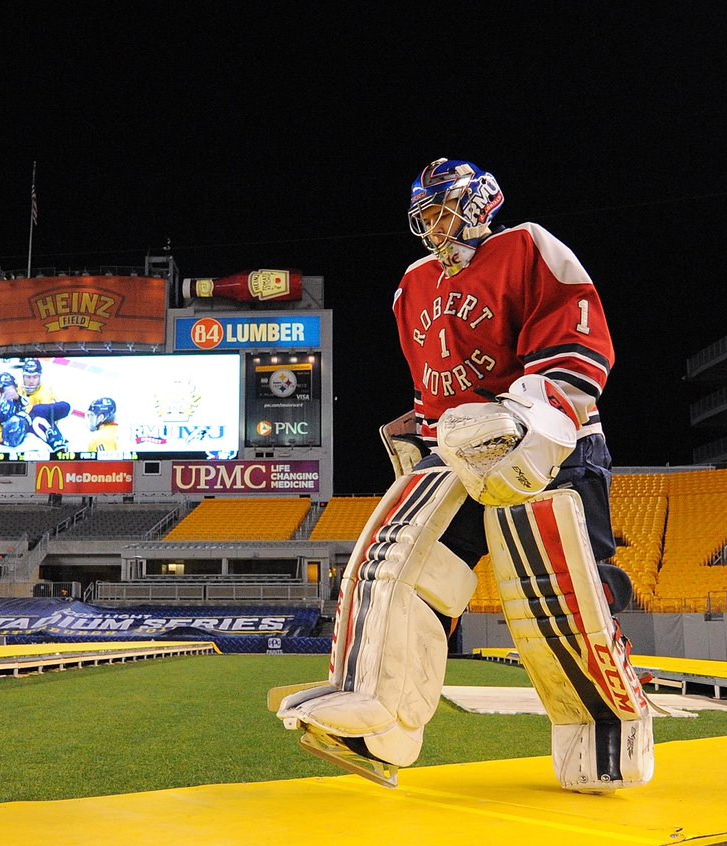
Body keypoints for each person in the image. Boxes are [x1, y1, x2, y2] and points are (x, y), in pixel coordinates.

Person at [275, 158, 652, 793]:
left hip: (548, 440)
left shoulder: (525, 246)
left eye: (443, 209)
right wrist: (426, 435)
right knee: (398, 561)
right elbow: (433, 384)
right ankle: (377, 714)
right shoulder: (412, 284)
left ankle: (606, 730)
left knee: (562, 597)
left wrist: (538, 417)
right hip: (459, 448)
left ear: (479, 201)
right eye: (425, 215)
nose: (434, 225)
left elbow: (575, 344)